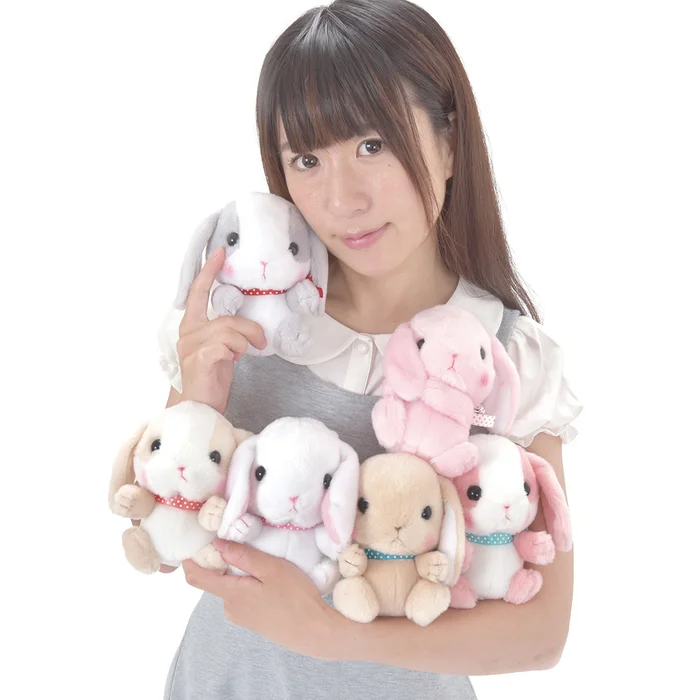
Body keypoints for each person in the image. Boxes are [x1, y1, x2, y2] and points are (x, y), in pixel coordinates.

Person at [155, 1, 582, 698]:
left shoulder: (505, 358)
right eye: (307, 159)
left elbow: (540, 635)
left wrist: (333, 634)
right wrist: (199, 403)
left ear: (449, 144)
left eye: (373, 145)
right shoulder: (242, 326)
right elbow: (170, 555)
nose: (341, 199)